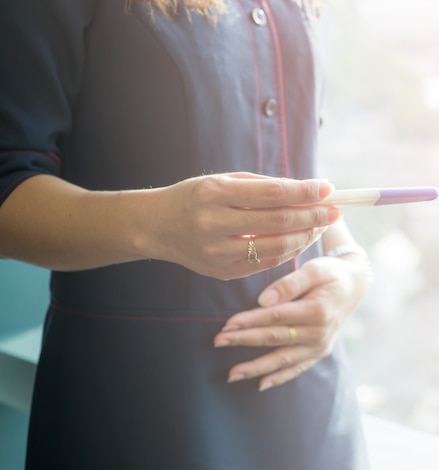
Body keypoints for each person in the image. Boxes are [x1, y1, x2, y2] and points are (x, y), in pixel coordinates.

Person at [0, 0, 372, 468]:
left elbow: (296, 162)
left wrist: (351, 266)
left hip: (311, 400)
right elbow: (7, 188)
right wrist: (156, 224)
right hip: (143, 407)